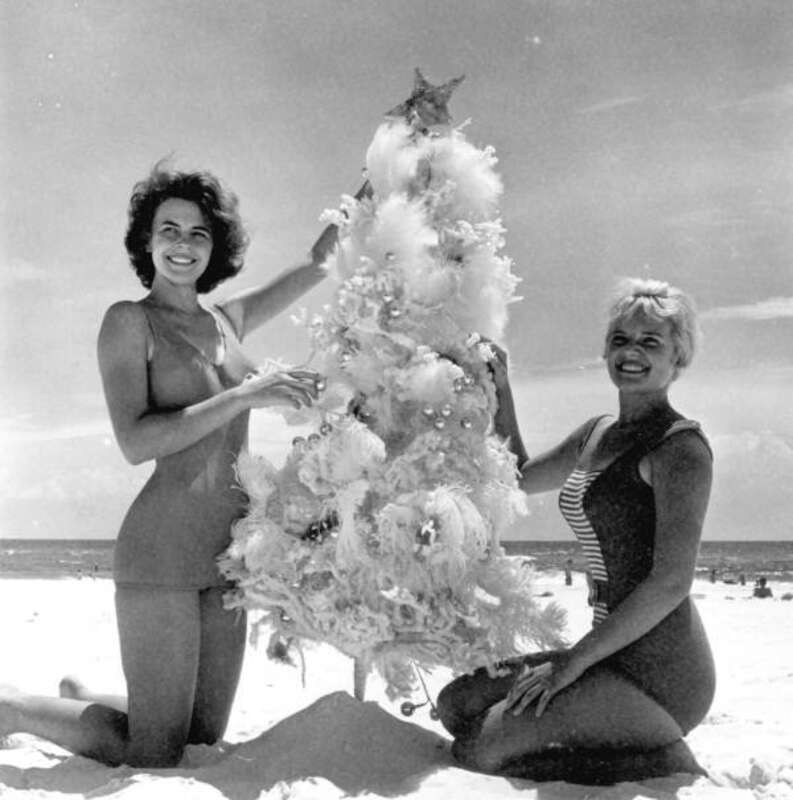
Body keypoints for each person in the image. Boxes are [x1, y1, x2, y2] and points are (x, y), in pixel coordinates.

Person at [0, 163, 369, 767]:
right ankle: (13, 708)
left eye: (199, 233)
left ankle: (85, 698)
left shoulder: (226, 320)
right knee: (154, 752)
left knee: (200, 740)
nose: (183, 244)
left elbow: (319, 261)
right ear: (146, 241)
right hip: (161, 552)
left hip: (228, 556)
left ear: (214, 246)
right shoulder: (129, 321)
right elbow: (135, 441)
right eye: (168, 229)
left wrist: (384, 167)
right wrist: (245, 395)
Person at [437, 278, 715, 783]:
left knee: (479, 749)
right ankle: (601, 730)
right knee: (456, 705)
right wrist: (501, 387)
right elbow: (519, 476)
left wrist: (570, 664)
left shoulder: (680, 448)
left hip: (661, 674)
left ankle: (659, 755)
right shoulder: (596, 434)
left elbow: (671, 583)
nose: (631, 352)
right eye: (620, 339)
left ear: (679, 356)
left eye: (650, 341)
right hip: (606, 653)